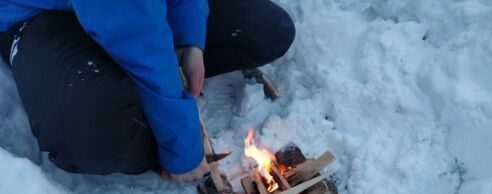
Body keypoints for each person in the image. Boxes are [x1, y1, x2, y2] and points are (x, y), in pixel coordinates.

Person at [0, 0, 295, 181]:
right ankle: (114, 103)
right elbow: (136, 35)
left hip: (135, 7)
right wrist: (181, 150)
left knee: (268, 30)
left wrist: (189, 37)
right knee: (85, 130)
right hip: (39, 15)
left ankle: (123, 91)